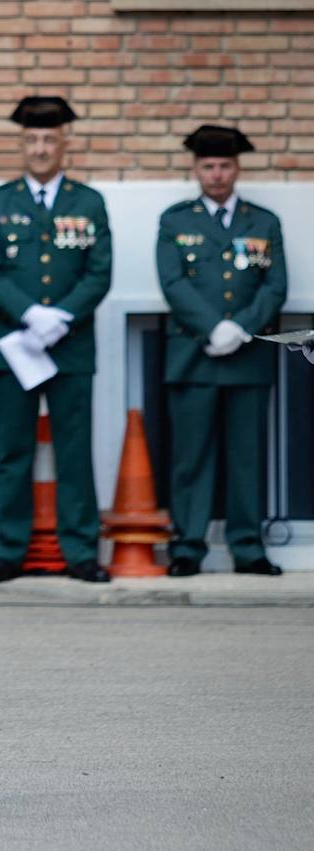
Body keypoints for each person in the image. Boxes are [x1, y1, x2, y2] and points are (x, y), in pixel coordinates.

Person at [0, 96, 113, 589]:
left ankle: (80, 552)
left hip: (71, 346)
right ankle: (8, 552)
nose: (40, 148)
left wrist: (62, 317)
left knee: (75, 451)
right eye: (31, 139)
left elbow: (99, 273)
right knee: (14, 452)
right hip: (13, 346)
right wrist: (31, 314)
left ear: (64, 143)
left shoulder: (89, 202)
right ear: (21, 144)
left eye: (49, 139)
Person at [156, 125, 287, 577]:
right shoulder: (175, 220)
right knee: (191, 459)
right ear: (195, 168)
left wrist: (240, 327)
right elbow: (172, 282)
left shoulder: (264, 222)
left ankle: (248, 548)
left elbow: (275, 285)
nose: (216, 175)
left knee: (247, 458)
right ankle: (188, 547)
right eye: (208, 166)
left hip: (247, 358)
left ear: (237, 168)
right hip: (194, 356)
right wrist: (213, 327)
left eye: (225, 165)